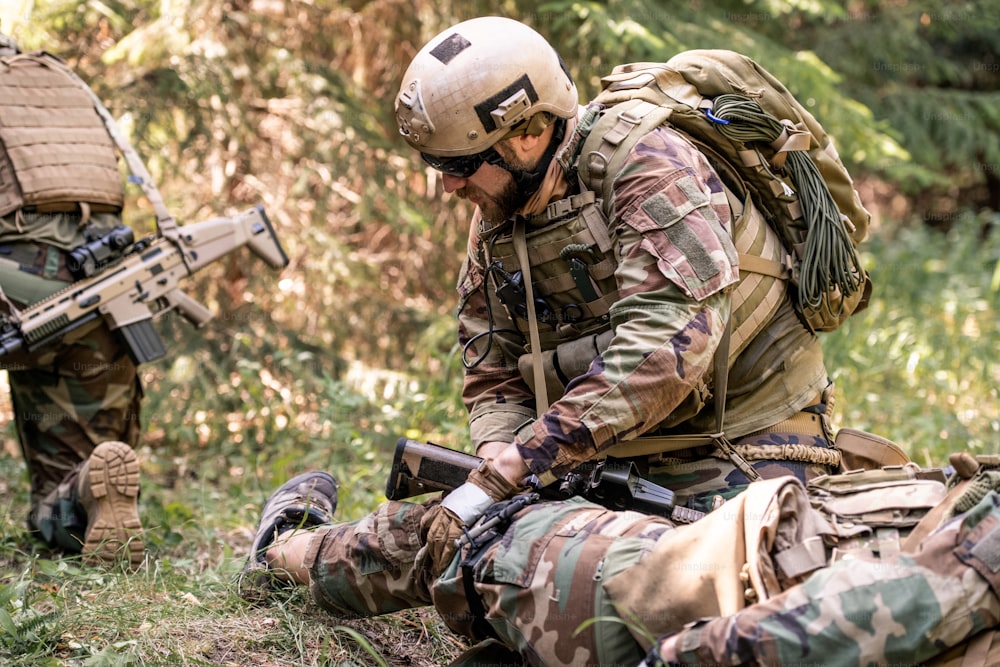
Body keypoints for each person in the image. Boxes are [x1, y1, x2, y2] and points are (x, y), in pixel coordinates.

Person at [238, 14, 892, 664]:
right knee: (454, 534)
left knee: (722, 595)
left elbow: (665, 350)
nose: (448, 186)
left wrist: (524, 461)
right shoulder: (497, 216)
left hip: (745, 452)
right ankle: (285, 549)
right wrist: (497, 456)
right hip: (597, 456)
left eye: (462, 165)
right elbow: (489, 362)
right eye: (438, 165)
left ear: (526, 134)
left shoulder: (653, 167)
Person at [0, 32, 144, 568]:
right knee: (73, 473)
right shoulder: (61, 79)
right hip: (105, 291)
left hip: (16, 287)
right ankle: (84, 491)